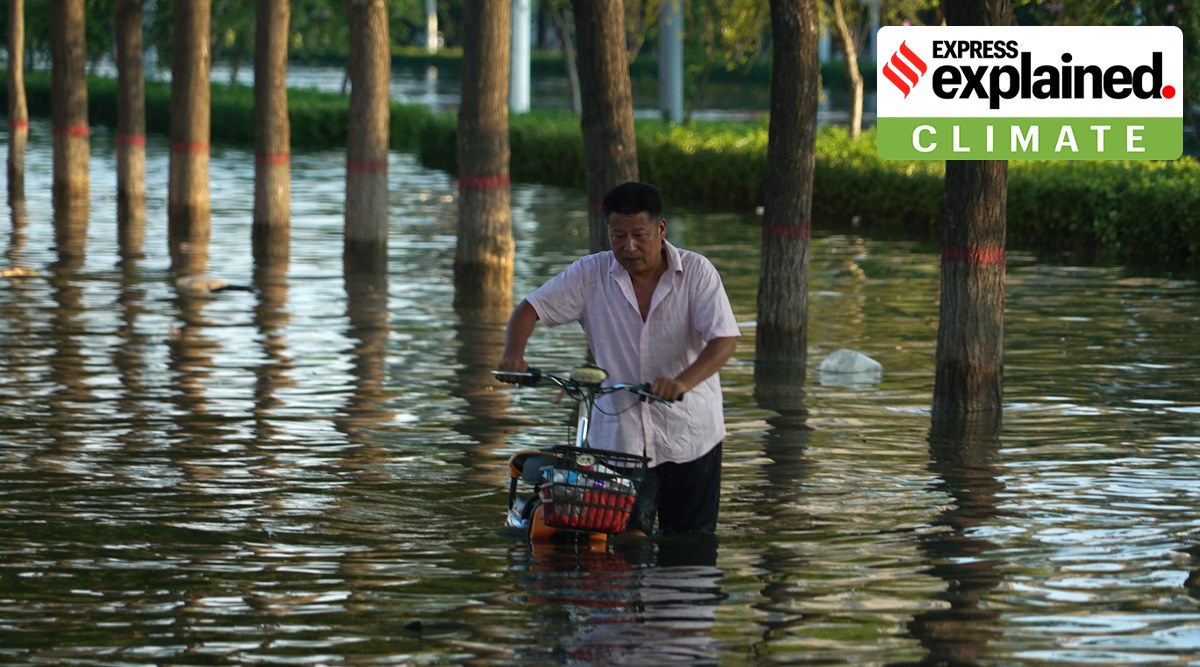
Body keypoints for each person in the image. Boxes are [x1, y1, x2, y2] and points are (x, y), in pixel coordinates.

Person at [497, 181, 739, 536]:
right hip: (618, 442)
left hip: (691, 436)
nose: (629, 247)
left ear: (660, 228)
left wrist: (680, 382)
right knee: (619, 545)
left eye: (639, 234)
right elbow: (529, 308)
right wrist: (513, 356)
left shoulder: (698, 273)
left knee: (690, 546)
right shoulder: (589, 274)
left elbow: (724, 340)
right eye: (618, 236)